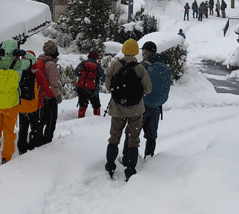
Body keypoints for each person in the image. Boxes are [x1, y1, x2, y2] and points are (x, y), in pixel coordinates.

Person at [0, 38, 36, 167]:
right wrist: (23, 53)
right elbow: (33, 60)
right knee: (9, 133)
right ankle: (6, 158)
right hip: (11, 104)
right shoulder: (18, 64)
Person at [104, 39, 152, 181]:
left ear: (124, 50)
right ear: (136, 52)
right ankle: (130, 169)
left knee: (114, 138)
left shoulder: (114, 65)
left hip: (117, 109)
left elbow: (107, 87)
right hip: (136, 110)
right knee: (133, 140)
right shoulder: (140, 68)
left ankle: (110, 164)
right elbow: (148, 90)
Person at [123, 41, 173, 159]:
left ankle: (128, 158)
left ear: (145, 52)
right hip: (156, 106)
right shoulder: (164, 65)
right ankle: (149, 158)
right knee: (151, 136)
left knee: (131, 133)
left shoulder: (143, 66)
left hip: (141, 106)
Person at [16, 50, 45, 156]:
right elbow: (44, 85)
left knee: (22, 129)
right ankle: (34, 146)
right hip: (34, 105)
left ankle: (22, 149)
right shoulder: (36, 71)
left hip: (21, 106)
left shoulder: (18, 71)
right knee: (35, 127)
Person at [38, 40, 62, 145]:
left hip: (40, 95)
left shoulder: (40, 60)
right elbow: (53, 84)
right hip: (49, 97)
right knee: (51, 122)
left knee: (41, 120)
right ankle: (46, 144)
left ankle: (36, 140)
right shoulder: (51, 64)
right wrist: (57, 96)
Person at [74, 50, 105, 118]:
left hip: (82, 87)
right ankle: (97, 118)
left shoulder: (83, 63)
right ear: (96, 57)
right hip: (93, 89)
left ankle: (81, 117)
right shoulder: (97, 66)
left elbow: (76, 73)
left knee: (83, 104)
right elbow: (103, 78)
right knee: (96, 104)